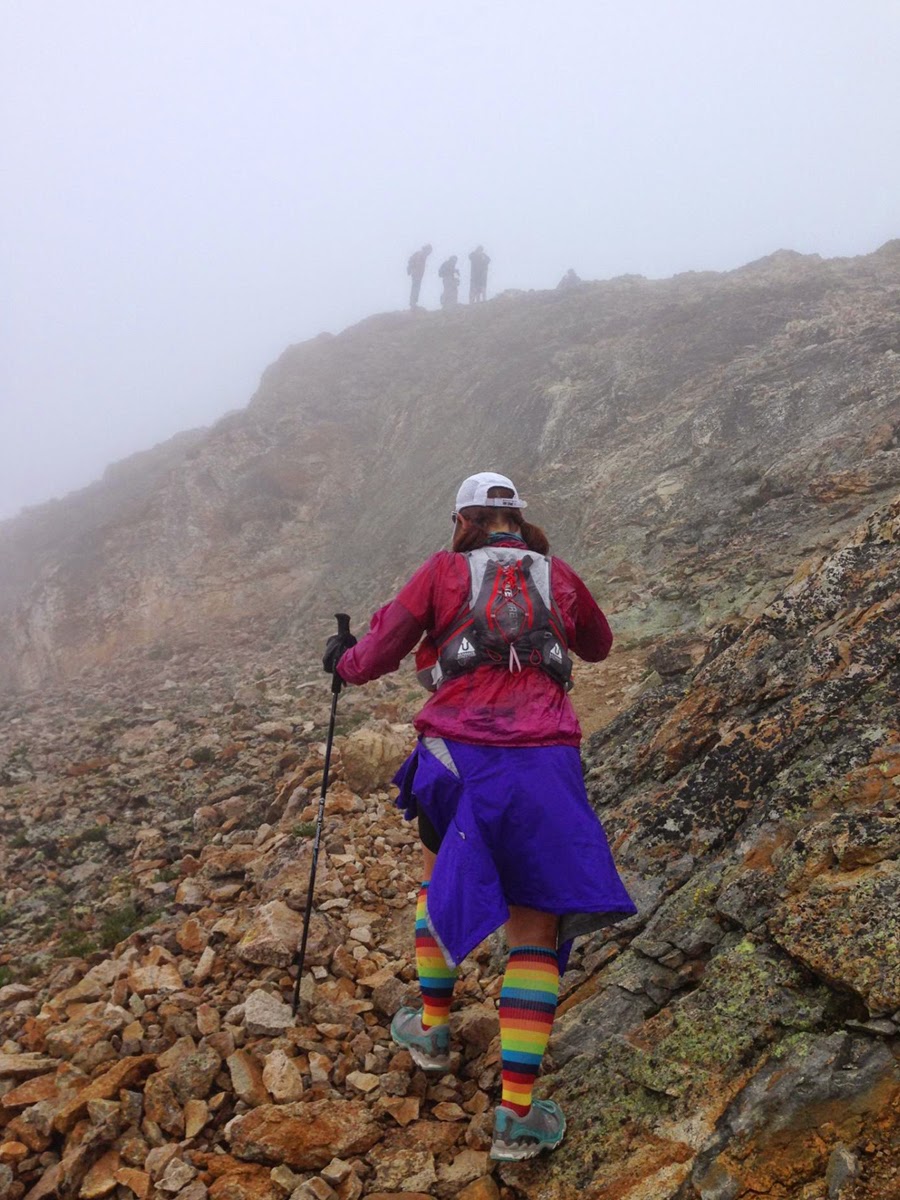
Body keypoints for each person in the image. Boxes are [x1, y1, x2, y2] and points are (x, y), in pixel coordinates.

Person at [323, 471, 637, 1162]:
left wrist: (341, 662)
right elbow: (599, 646)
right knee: (535, 927)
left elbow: (375, 655)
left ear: (462, 521)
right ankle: (516, 1116)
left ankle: (433, 1028)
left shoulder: (441, 571)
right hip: (544, 762)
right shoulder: (559, 575)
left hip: (454, 755)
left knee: (438, 881)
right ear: (517, 519)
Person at [407, 244, 432, 309]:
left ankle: (413, 303)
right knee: (415, 288)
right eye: (429, 251)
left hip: (417, 274)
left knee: (416, 288)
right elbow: (416, 263)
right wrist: (413, 270)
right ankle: (413, 303)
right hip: (416, 274)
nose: (429, 253)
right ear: (427, 249)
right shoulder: (421, 254)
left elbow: (412, 261)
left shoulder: (422, 254)